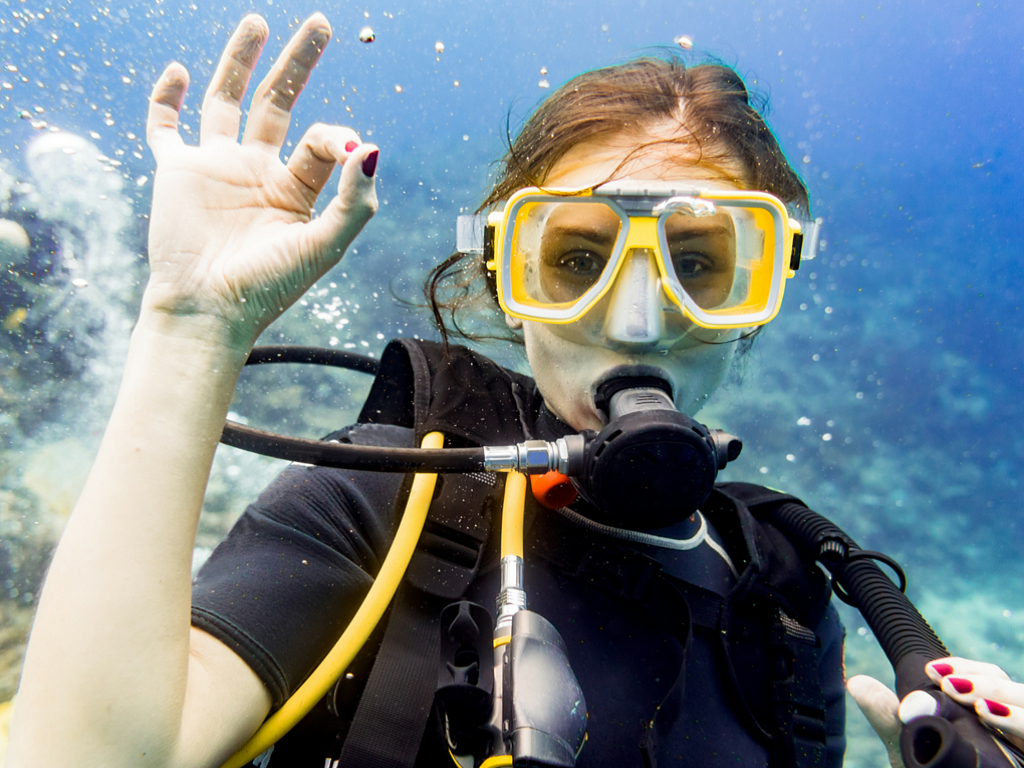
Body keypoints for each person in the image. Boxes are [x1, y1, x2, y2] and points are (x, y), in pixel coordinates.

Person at [7, 12, 1024, 768]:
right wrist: (190, 327)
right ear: (503, 276)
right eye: (575, 261)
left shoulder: (793, 596)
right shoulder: (389, 501)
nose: (637, 322)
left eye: (701, 266)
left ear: (761, 298)